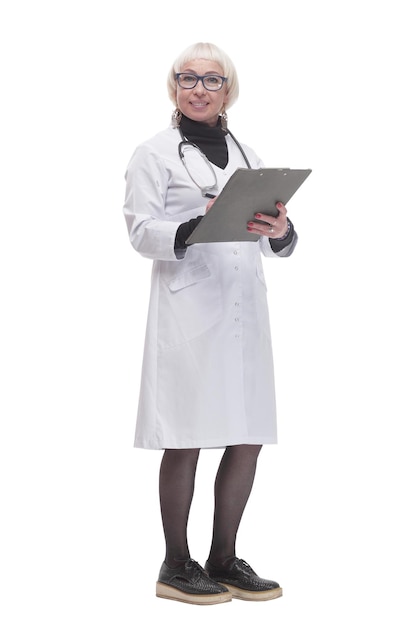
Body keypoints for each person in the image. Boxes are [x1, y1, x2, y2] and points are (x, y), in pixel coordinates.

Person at [123, 42, 298, 605]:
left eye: (212, 79)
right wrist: (193, 225)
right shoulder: (153, 154)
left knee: (247, 436)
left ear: (229, 89)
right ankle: (177, 563)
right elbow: (139, 230)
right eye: (188, 77)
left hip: (244, 310)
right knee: (187, 437)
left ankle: (224, 557)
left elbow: (275, 236)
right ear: (173, 86)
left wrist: (282, 231)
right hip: (190, 312)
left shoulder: (248, 154)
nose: (199, 87)